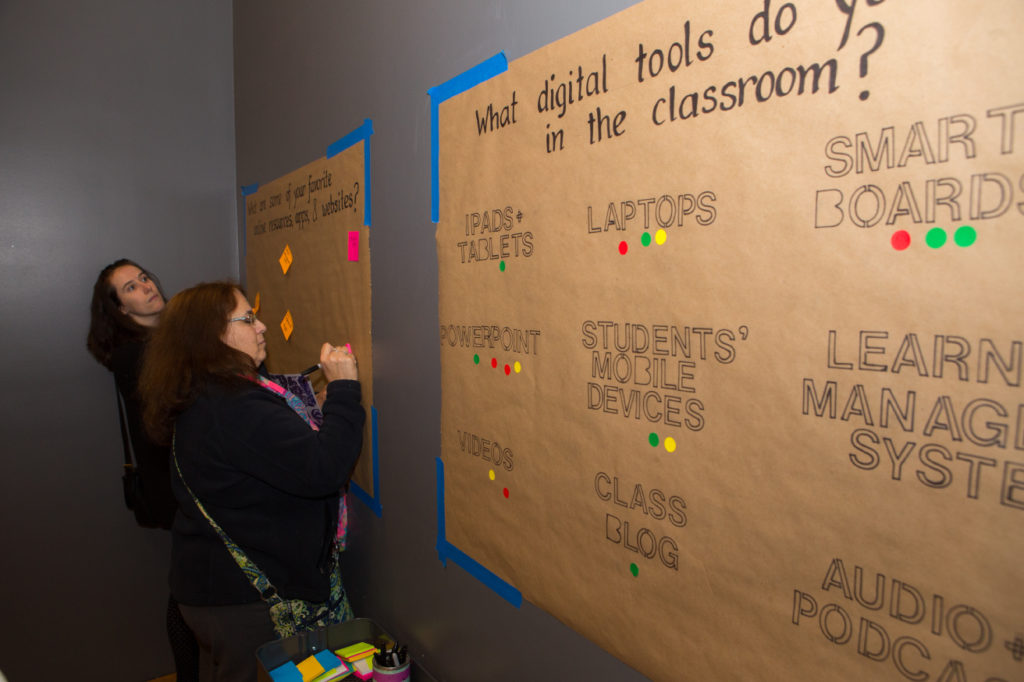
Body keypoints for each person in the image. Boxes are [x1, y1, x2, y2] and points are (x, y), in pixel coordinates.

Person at [140, 282, 363, 682]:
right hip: (243, 605)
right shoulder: (234, 405)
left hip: (218, 591)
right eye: (248, 318)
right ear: (213, 335)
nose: (262, 327)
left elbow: (270, 455)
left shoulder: (208, 395)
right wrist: (345, 388)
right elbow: (324, 469)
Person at [86, 259, 199, 681]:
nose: (146, 286)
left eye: (144, 278)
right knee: (188, 593)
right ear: (121, 309)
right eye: (130, 287)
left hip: (195, 482)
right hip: (178, 489)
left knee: (195, 588)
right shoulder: (133, 354)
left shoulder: (172, 336)